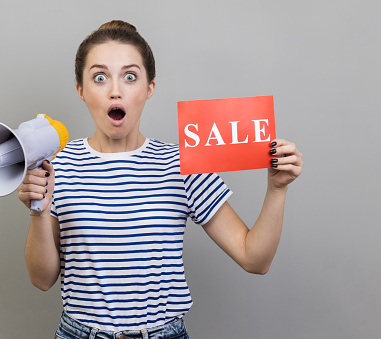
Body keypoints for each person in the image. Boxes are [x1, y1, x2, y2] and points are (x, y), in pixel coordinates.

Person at [17, 20, 303, 339]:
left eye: (130, 76)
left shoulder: (183, 164)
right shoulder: (58, 167)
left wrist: (277, 189)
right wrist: (38, 212)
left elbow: (255, 259)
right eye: (99, 77)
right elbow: (42, 280)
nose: (115, 90)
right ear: (80, 90)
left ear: (149, 88)